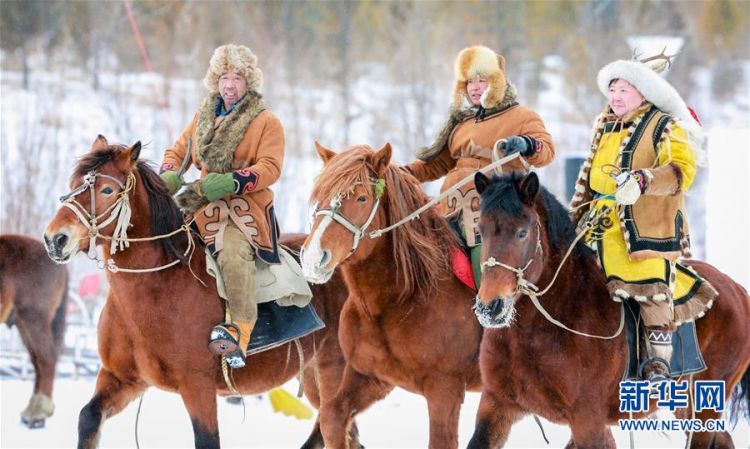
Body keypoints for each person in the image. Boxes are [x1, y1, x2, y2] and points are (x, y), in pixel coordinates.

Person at [569, 55, 717, 382]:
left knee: (650, 282)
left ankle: (658, 360)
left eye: (624, 89)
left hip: (646, 230)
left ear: (643, 92)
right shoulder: (604, 125)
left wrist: (642, 180)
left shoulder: (666, 125)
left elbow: (682, 172)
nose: (616, 97)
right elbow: (590, 178)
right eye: (612, 90)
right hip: (598, 222)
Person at [160, 44, 285, 369]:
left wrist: (234, 181)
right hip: (199, 202)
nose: (229, 85)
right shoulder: (203, 116)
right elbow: (178, 152)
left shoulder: (266, 121)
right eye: (224, 77)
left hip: (242, 210)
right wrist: (169, 173)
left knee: (231, 252)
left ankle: (239, 332)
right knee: (161, 239)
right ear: (215, 80)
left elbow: (271, 167)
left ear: (249, 83)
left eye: (238, 79)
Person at [404, 45, 555, 288]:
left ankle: (487, 312)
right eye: (469, 82)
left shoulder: (522, 116)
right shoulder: (462, 123)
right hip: (450, 208)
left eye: (481, 80)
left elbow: (546, 152)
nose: (474, 87)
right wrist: (405, 173)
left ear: (496, 81)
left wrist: (527, 144)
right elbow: (438, 163)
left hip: (491, 213)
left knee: (481, 265)